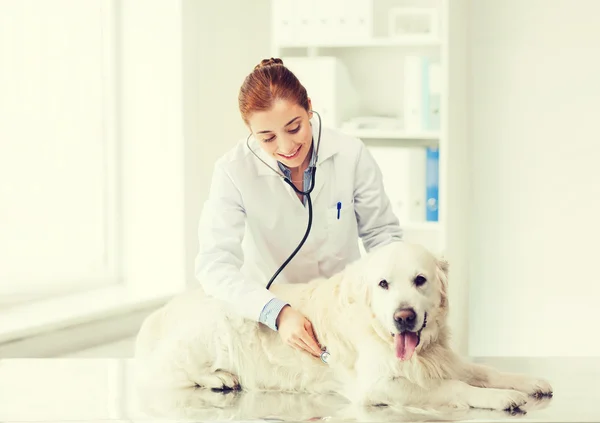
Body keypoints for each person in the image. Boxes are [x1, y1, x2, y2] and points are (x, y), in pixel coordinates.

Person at [195, 57, 403, 358]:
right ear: (250, 131)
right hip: (271, 317)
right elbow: (214, 264)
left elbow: (383, 236)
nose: (286, 146)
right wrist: (276, 312)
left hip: (343, 311)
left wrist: (394, 297)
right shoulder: (232, 171)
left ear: (308, 106)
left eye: (294, 127)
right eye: (267, 137)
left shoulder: (350, 154)